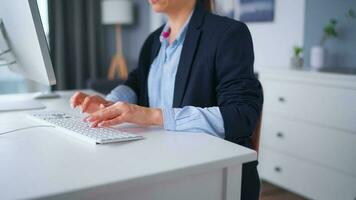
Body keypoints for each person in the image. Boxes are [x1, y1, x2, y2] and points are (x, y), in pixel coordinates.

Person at [71, 0, 263, 199]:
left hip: (209, 177)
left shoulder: (228, 33)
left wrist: (151, 115)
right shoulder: (153, 40)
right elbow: (135, 84)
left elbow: (241, 115)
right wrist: (107, 104)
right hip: (156, 164)